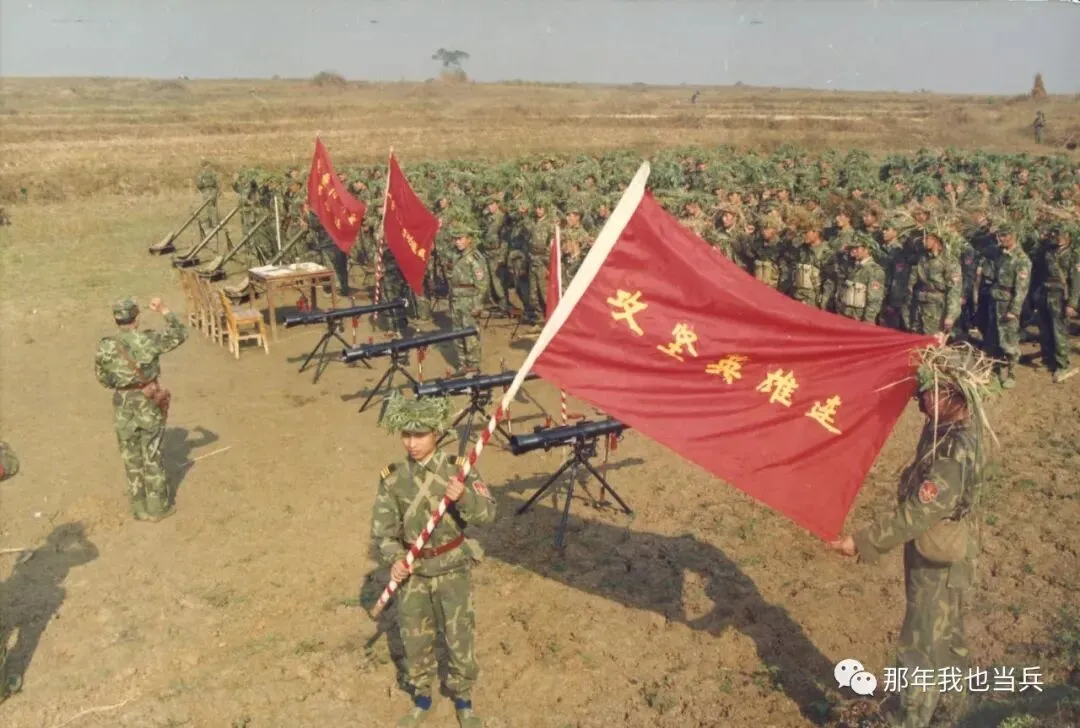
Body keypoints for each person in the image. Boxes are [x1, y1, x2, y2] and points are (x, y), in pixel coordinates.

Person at [829, 343, 993, 728]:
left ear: (956, 394)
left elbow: (922, 511)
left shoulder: (955, 448)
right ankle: (949, 711)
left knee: (921, 643)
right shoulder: (945, 426)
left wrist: (864, 541)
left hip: (938, 557)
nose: (922, 397)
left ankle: (908, 718)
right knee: (947, 637)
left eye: (931, 390)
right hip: (949, 550)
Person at [370, 394, 497, 728]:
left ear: (436, 433)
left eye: (420, 435)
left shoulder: (459, 469)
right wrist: (395, 559)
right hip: (414, 573)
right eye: (406, 435)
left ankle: (463, 700)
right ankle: (422, 698)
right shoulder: (393, 477)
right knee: (414, 638)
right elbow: (383, 533)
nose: (411, 443)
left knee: (459, 637)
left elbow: (488, 515)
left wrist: (464, 496)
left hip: (452, 568)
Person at [94, 297, 188, 521]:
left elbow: (102, 378)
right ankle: (157, 507)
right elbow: (179, 333)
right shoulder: (148, 339)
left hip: (123, 405)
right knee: (152, 454)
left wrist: (123, 386)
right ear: (136, 319)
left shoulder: (106, 346)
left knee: (131, 457)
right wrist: (164, 310)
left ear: (116, 320)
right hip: (147, 403)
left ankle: (139, 507)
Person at [446, 213, 487, 374]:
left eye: (461, 238)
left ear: (469, 239)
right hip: (456, 300)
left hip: (469, 301)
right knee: (457, 333)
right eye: (455, 239)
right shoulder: (455, 255)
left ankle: (473, 365)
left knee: (470, 334)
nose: (458, 242)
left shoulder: (475, 258)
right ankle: (462, 364)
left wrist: (478, 305)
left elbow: (482, 284)